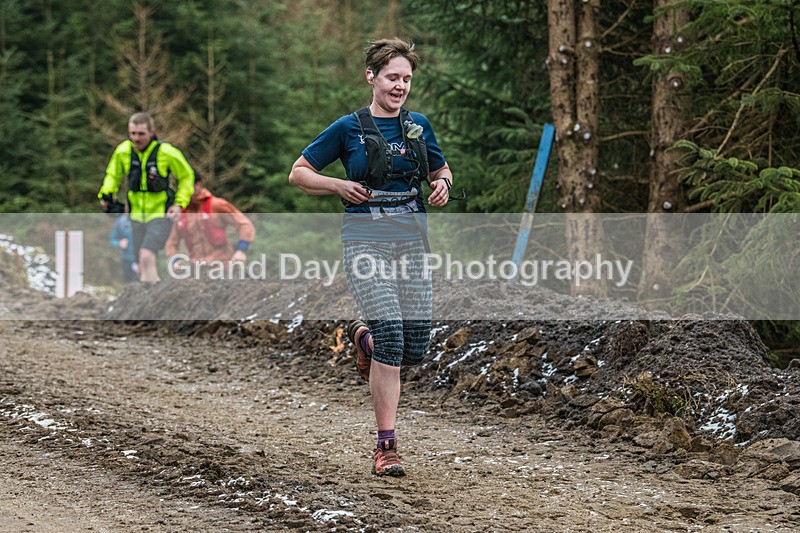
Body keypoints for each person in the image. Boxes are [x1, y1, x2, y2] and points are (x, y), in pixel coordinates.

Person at [288, 37, 453, 477]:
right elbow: (299, 172)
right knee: (393, 338)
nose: (400, 86)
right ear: (372, 77)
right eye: (392, 77)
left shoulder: (419, 125)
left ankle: (363, 339)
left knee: (413, 347)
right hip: (364, 241)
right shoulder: (348, 128)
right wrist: (338, 186)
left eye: (406, 79)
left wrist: (444, 185)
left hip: (412, 241)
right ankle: (386, 447)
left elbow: (440, 168)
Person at [97, 112, 195, 282]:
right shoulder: (123, 151)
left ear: (152, 132)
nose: (136, 138)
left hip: (161, 215)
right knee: (140, 264)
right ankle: (149, 298)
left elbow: (187, 177)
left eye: (141, 134)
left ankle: (153, 296)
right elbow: (113, 175)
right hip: (135, 216)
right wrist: (106, 194)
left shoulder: (166, 152)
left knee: (146, 255)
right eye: (133, 133)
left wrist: (179, 204)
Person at [164, 173, 255, 268]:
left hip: (223, 266)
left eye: (187, 186)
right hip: (196, 270)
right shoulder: (180, 212)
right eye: (180, 188)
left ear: (198, 184)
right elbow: (171, 242)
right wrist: (174, 260)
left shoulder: (217, 204)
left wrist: (241, 250)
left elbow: (244, 225)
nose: (183, 191)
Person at [108, 212, 138, 282]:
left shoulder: (143, 221)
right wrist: (119, 243)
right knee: (127, 281)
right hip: (126, 258)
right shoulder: (121, 222)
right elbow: (112, 239)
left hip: (140, 258)